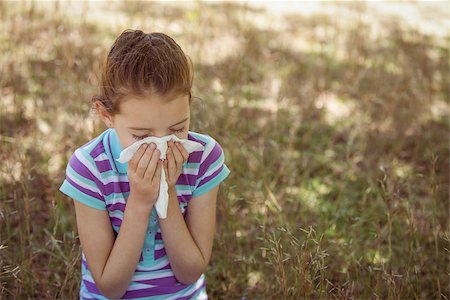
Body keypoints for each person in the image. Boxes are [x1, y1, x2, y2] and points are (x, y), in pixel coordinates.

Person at [59, 29, 231, 299]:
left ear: (189, 105)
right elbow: (110, 287)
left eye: (177, 129)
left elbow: (190, 272)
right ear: (107, 115)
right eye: (141, 136)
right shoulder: (89, 168)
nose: (161, 149)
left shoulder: (204, 158)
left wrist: (167, 194)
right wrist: (140, 202)